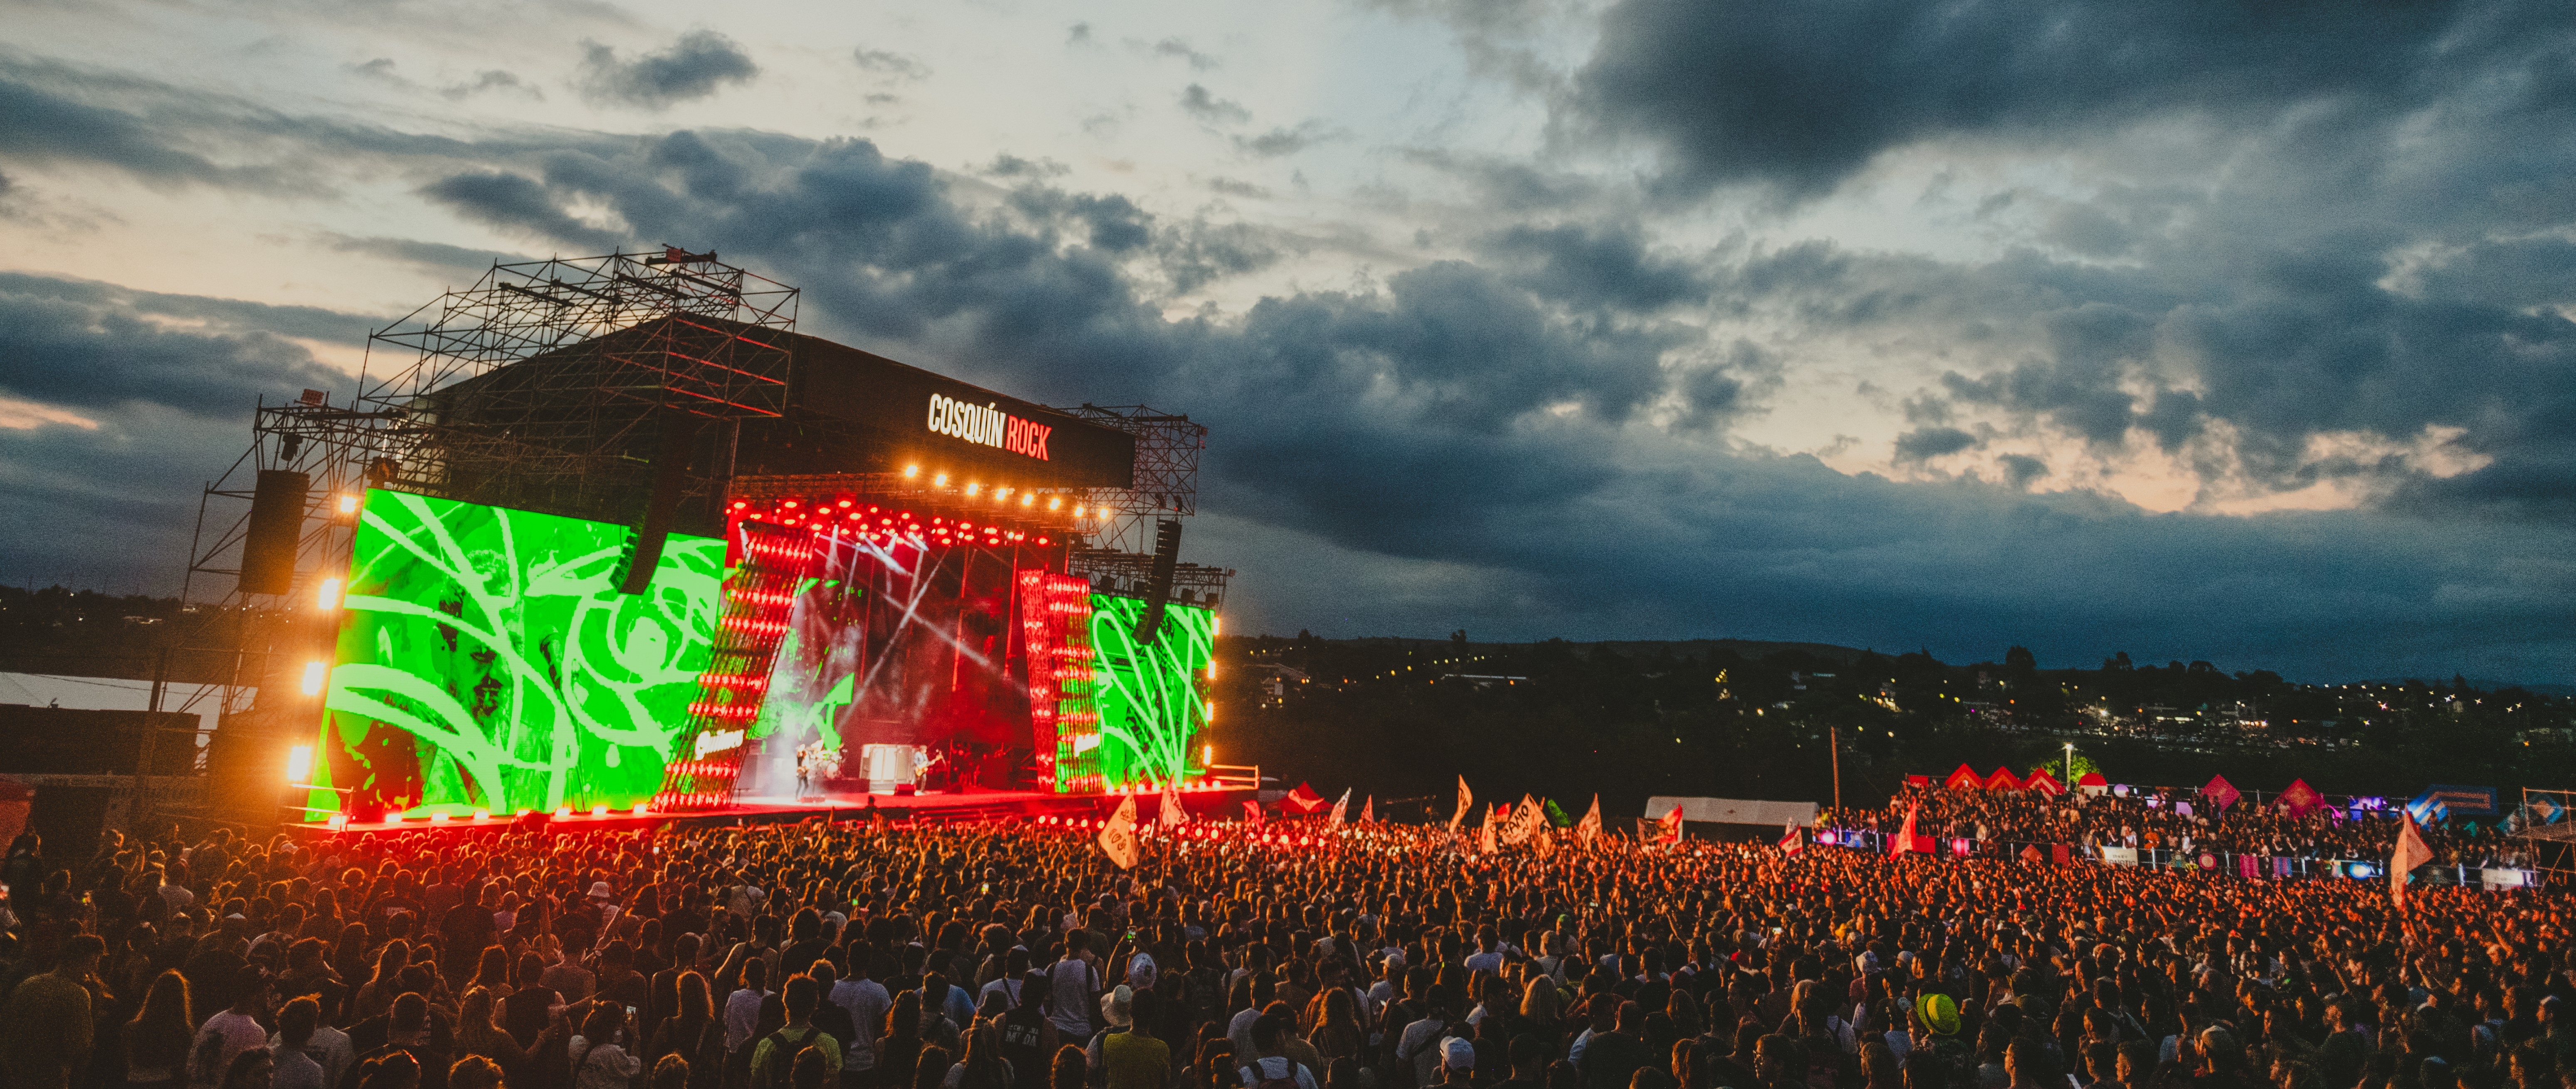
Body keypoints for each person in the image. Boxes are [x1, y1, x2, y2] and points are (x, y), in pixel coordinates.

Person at [4, 933, 104, 1089]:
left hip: (14, 1072)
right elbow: (80, 1045)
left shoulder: (28, 984)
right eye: (94, 962)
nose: (96, 968)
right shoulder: (78, 995)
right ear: (80, 961)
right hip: (49, 1076)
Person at [193, 966, 277, 1089]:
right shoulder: (254, 1031)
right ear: (254, 994)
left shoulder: (215, 1021)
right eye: (266, 986)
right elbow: (256, 1078)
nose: (272, 988)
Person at [754, 978, 845, 1089]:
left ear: (785, 1001)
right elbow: (834, 1085)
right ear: (815, 1002)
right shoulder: (830, 1044)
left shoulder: (765, 1045)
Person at [126, 969, 197, 1089]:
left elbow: (127, 1062)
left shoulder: (131, 1028)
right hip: (168, 1083)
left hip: (136, 1082)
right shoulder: (187, 1032)